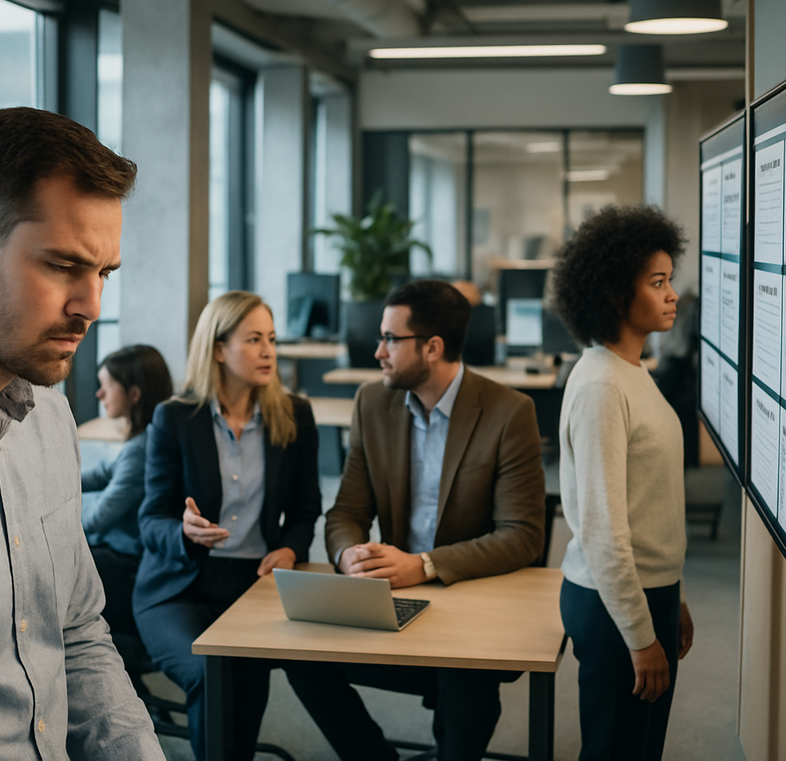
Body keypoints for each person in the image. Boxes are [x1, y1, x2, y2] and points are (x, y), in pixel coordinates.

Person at [288, 279, 546, 761]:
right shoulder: (372, 403)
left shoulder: (509, 412)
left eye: (390, 339)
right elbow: (347, 511)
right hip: (393, 599)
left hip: (470, 605)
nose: (378, 351)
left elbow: (523, 536)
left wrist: (425, 564)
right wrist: (349, 555)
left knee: (468, 685)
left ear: (433, 348)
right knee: (301, 656)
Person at [0, 106, 164, 759]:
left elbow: (77, 630)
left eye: (104, 273)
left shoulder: (52, 418)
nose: (91, 306)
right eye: (63, 265)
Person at [132, 290, 322, 761]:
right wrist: (183, 531)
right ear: (219, 349)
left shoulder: (294, 415)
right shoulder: (175, 418)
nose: (268, 351)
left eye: (272, 339)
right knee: (209, 672)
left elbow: (306, 508)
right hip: (178, 586)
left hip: (254, 584)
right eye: (254, 340)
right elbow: (151, 520)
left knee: (248, 687)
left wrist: (291, 550)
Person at [551, 204, 695, 761]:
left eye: (670, 280)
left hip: (645, 592)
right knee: (615, 750)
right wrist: (640, 633)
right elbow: (603, 530)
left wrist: (672, 594)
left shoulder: (631, 370)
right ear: (614, 294)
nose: (672, 295)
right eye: (657, 283)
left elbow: (648, 504)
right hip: (612, 606)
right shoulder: (601, 386)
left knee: (639, 748)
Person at [81, 344, 173, 634]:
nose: (99, 394)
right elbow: (102, 474)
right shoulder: (146, 439)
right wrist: (50, 482)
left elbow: (98, 519)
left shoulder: (140, 450)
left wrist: (50, 519)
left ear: (134, 394)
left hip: (126, 560)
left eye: (106, 386)